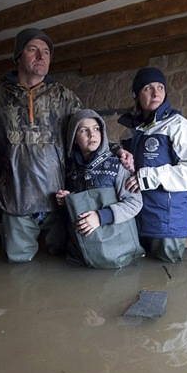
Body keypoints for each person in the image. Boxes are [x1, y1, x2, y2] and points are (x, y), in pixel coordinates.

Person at [0, 28, 83, 263]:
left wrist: (118, 151)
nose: (41, 56)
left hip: (58, 200)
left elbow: (87, 137)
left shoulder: (65, 96)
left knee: (64, 264)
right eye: (32, 49)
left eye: (46, 52)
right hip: (14, 200)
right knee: (19, 270)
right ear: (18, 57)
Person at [118, 67, 187, 262]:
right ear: (136, 95)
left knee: (167, 276)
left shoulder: (178, 125)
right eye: (148, 88)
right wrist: (122, 157)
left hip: (167, 221)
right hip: (137, 216)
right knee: (140, 274)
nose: (156, 92)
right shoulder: (131, 132)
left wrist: (150, 177)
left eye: (160, 87)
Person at [56, 109, 144, 268]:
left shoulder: (117, 164)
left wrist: (100, 216)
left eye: (96, 129)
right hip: (82, 252)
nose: (92, 134)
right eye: (84, 130)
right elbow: (80, 199)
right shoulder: (70, 168)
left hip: (118, 251)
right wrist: (68, 198)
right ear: (74, 138)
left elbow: (134, 203)